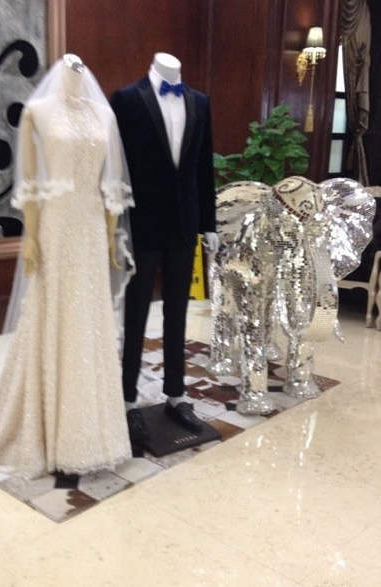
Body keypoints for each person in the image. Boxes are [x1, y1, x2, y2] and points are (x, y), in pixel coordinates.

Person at [0, 54, 135, 479]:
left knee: (89, 323)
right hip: (55, 227)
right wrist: (32, 237)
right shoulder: (37, 112)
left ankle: (91, 431)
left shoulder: (105, 115)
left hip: (91, 229)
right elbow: (32, 185)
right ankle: (46, 427)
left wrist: (111, 237)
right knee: (53, 316)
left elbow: (110, 183)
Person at [110, 52, 218, 443]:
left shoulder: (200, 102)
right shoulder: (126, 99)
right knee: (136, 313)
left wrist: (208, 224)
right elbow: (114, 166)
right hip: (141, 224)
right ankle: (126, 400)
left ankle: (176, 394)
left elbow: (202, 168)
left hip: (184, 225)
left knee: (178, 313)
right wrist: (115, 223)